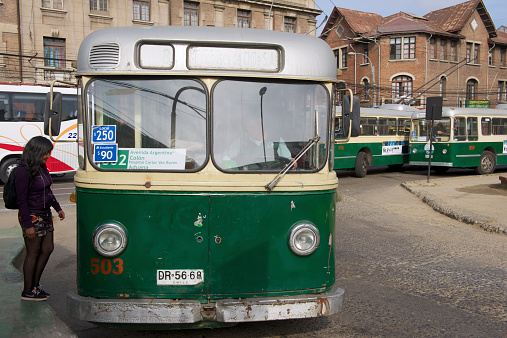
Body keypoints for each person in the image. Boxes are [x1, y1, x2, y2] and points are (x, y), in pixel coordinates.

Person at [16, 136, 65, 301]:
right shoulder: (22, 171)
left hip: (45, 214)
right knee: (33, 252)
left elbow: (48, 192)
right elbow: (21, 201)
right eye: (45, 153)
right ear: (36, 151)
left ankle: (35, 286)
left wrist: (57, 208)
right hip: (32, 216)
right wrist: (28, 224)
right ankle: (27, 290)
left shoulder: (42, 167)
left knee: (48, 248)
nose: (48, 156)